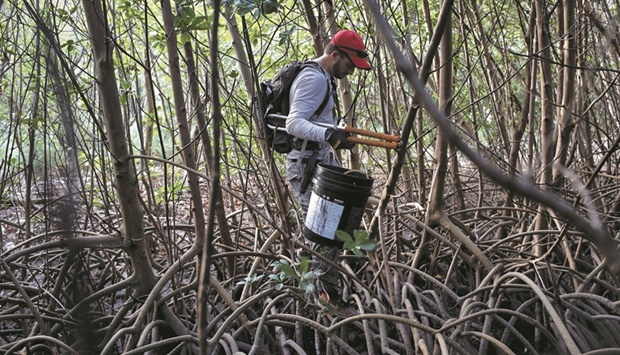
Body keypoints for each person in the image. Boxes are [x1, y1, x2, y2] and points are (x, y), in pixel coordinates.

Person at [285, 29, 372, 307]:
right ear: (334, 55)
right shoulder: (313, 78)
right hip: (308, 167)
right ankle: (326, 299)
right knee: (325, 231)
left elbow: (316, 121)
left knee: (327, 228)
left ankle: (311, 289)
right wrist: (328, 135)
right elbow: (293, 122)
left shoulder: (323, 77)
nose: (350, 72)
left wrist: (336, 133)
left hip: (319, 164)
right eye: (348, 65)